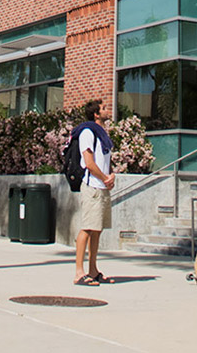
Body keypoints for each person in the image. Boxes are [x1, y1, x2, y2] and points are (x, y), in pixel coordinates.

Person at [72, 99, 115, 286]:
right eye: (104, 108)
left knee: (97, 230)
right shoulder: (88, 132)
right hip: (92, 187)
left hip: (103, 186)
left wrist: (110, 177)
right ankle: (79, 272)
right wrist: (105, 178)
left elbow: (104, 161)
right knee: (87, 228)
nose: (108, 110)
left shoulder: (102, 134)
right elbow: (89, 162)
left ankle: (93, 270)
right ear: (96, 114)